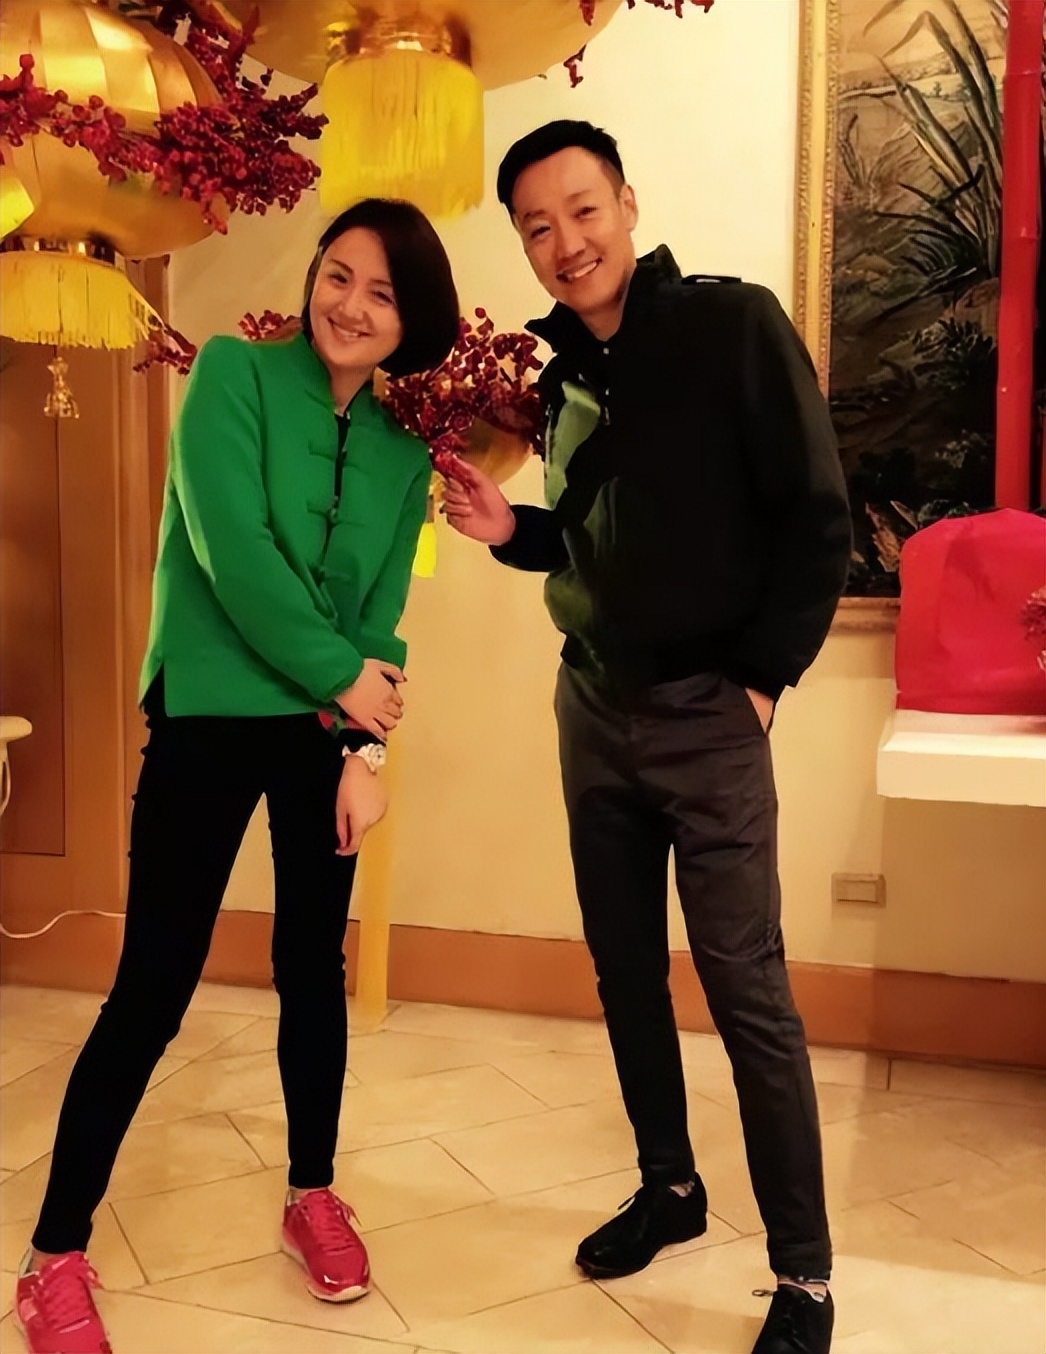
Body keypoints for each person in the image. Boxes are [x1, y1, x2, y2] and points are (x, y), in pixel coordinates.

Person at [14, 198, 459, 1354]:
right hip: (209, 715)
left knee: (312, 969)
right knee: (153, 985)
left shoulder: (404, 454)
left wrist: (364, 751)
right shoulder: (230, 374)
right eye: (338, 273)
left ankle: (313, 1192)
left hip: (322, 734)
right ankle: (52, 1255)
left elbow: (380, 616)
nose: (349, 304)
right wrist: (347, 684)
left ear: (409, 321)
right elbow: (233, 551)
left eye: (382, 293)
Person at [442, 120, 851, 1354]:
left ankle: (803, 1276)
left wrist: (760, 684)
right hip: (592, 709)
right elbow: (586, 541)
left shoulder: (731, 326)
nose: (564, 242)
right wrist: (506, 529)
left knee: (745, 990)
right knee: (623, 968)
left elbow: (815, 517)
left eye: (581, 210)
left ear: (626, 203)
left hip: (707, 717)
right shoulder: (561, 376)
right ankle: (669, 1186)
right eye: (536, 226)